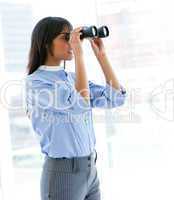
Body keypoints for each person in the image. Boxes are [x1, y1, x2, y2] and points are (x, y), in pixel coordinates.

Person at [24, 16, 127, 200]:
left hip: (90, 171)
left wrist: (101, 57)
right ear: (46, 43)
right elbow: (79, 104)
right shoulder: (36, 83)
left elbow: (115, 98)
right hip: (63, 174)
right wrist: (79, 55)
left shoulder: (72, 78)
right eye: (66, 38)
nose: (72, 43)